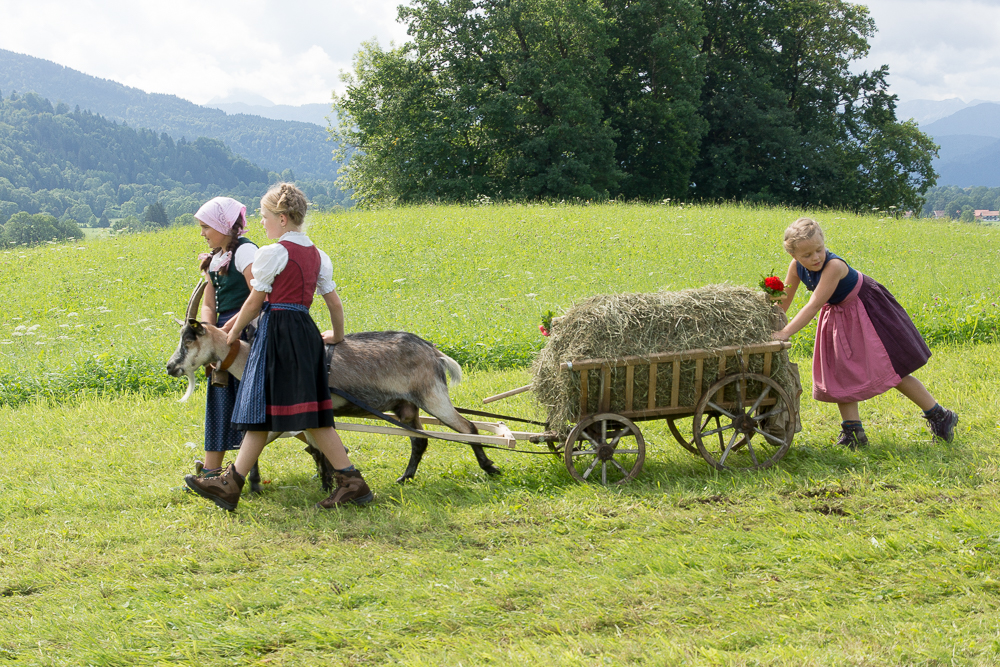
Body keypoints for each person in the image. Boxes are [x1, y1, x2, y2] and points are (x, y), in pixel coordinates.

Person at [185, 183, 373, 510]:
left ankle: (349, 480)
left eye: (265, 216)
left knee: (274, 410)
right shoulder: (317, 254)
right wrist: (337, 336)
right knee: (293, 414)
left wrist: (230, 335)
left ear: (283, 218)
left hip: (278, 335)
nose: (262, 223)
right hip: (305, 335)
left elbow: (254, 303)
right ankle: (232, 483)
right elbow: (334, 303)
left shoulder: (273, 253)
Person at [773, 217, 958, 448]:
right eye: (807, 255)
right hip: (840, 314)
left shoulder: (834, 266)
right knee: (840, 370)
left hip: (868, 310)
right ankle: (853, 432)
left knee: (891, 369)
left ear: (824, 243)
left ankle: (940, 415)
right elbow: (784, 300)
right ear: (794, 256)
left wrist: (785, 333)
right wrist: (769, 322)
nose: (816, 258)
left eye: (819, 250)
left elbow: (813, 305)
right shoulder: (796, 267)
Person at [190, 197, 258, 481]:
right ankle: (211, 469)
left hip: (247, 328)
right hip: (221, 333)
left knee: (258, 399)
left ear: (223, 225)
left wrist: (233, 329)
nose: (203, 233)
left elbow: (259, 294)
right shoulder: (216, 258)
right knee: (219, 393)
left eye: (207, 226)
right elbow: (209, 302)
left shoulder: (245, 251)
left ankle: (329, 447)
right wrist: (208, 329)